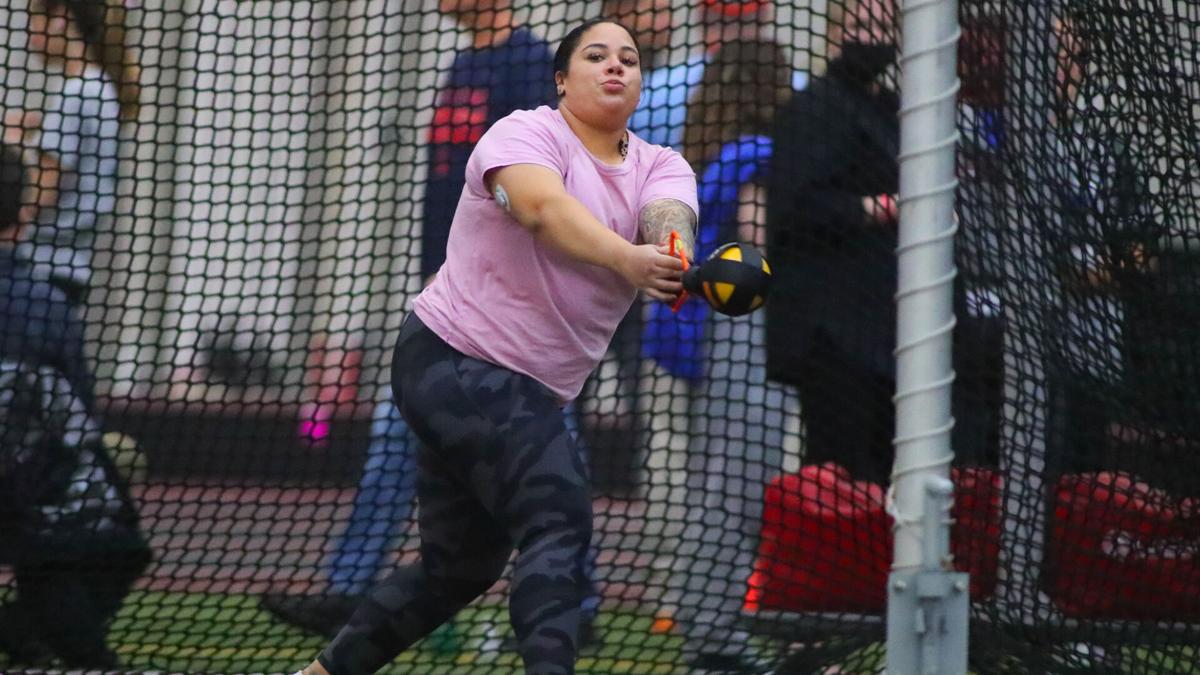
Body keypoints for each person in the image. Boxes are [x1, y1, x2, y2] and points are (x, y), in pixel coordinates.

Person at [291, 18, 697, 675]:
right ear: (562, 79)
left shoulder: (662, 166)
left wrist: (671, 251)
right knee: (558, 514)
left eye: (628, 58)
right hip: (451, 358)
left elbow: (668, 216)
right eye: (596, 56)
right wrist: (628, 258)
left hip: (526, 387)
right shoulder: (523, 134)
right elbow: (541, 209)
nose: (616, 66)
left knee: (460, 566)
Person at [260, 0, 611, 642]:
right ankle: (350, 590)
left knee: (553, 444)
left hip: (510, 308)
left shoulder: (529, 65)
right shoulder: (463, 63)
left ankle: (577, 602)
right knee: (398, 439)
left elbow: (543, 185)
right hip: (452, 299)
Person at [642, 38, 796, 673]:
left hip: (710, 337)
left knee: (715, 483)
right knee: (734, 488)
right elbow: (759, 245)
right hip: (746, 335)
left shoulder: (707, 157)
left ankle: (708, 630)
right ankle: (713, 640)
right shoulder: (758, 156)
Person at [0, 145, 150, 669]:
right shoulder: (45, 305)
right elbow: (77, 412)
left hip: (23, 496)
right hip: (32, 493)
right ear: (22, 219)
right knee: (109, 545)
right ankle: (49, 643)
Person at [4, 0, 136, 306]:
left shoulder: (75, 95)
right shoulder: (101, 89)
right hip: (73, 268)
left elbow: (40, 195)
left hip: (42, 272)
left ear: (60, 18)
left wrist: (9, 147)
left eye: (33, 20)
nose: (29, 31)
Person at [628, 0, 806, 149]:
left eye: (746, 21)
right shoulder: (800, 89)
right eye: (721, 22)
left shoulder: (654, 92)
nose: (734, 33)